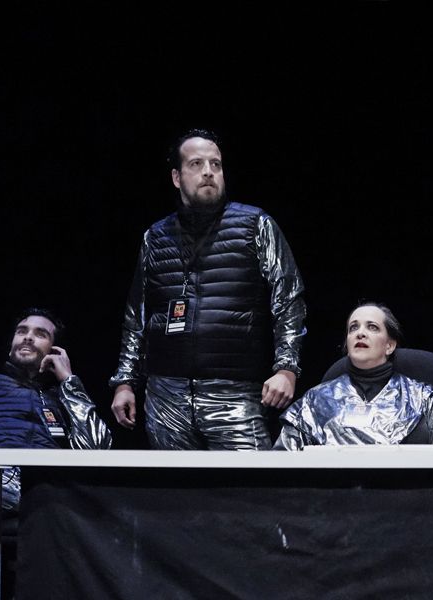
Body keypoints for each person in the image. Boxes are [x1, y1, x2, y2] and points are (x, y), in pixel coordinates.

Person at [110, 128, 307, 450]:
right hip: (166, 395)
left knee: (248, 481)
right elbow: (137, 316)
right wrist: (124, 382)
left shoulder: (255, 224)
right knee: (175, 482)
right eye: (196, 164)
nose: (208, 172)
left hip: (234, 392)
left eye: (216, 164)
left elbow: (288, 300)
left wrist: (286, 368)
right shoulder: (155, 237)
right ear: (176, 177)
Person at [0, 307, 112, 599]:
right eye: (22, 331)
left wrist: (69, 382)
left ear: (55, 350)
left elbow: (99, 447)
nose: (28, 337)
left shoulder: (63, 400)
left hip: (43, 492)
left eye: (40, 334)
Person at [276, 302, 433, 450]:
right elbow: (283, 465)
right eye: (353, 327)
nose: (360, 333)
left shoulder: (424, 399)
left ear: (390, 345)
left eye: (372, 327)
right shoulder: (315, 401)